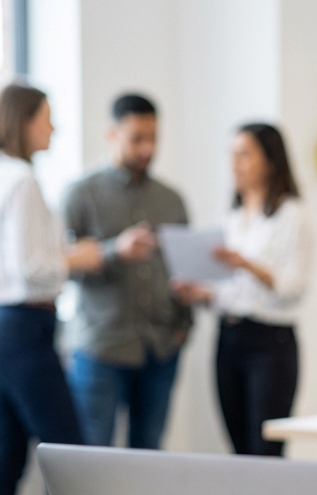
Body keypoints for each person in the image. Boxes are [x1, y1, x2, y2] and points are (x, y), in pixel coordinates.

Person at [0, 84, 101, 495]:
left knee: (9, 457)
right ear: (23, 121)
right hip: (22, 328)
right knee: (70, 458)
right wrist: (76, 257)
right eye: (47, 116)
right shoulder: (22, 179)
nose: (54, 126)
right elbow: (31, 268)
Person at [62, 93, 192, 449]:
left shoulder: (172, 200)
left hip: (161, 348)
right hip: (102, 348)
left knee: (148, 460)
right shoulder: (80, 195)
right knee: (89, 462)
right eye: (138, 139)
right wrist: (112, 251)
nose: (147, 149)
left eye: (154, 139)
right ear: (112, 134)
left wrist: (184, 325)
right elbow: (60, 266)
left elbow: (184, 267)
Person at [173, 124, 311, 456]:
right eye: (232, 155)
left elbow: (292, 288)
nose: (235, 164)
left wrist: (245, 263)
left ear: (270, 160)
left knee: (264, 451)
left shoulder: (293, 215)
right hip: (230, 337)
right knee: (239, 451)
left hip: (270, 343)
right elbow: (234, 291)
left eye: (244, 154)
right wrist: (203, 294)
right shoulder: (233, 217)